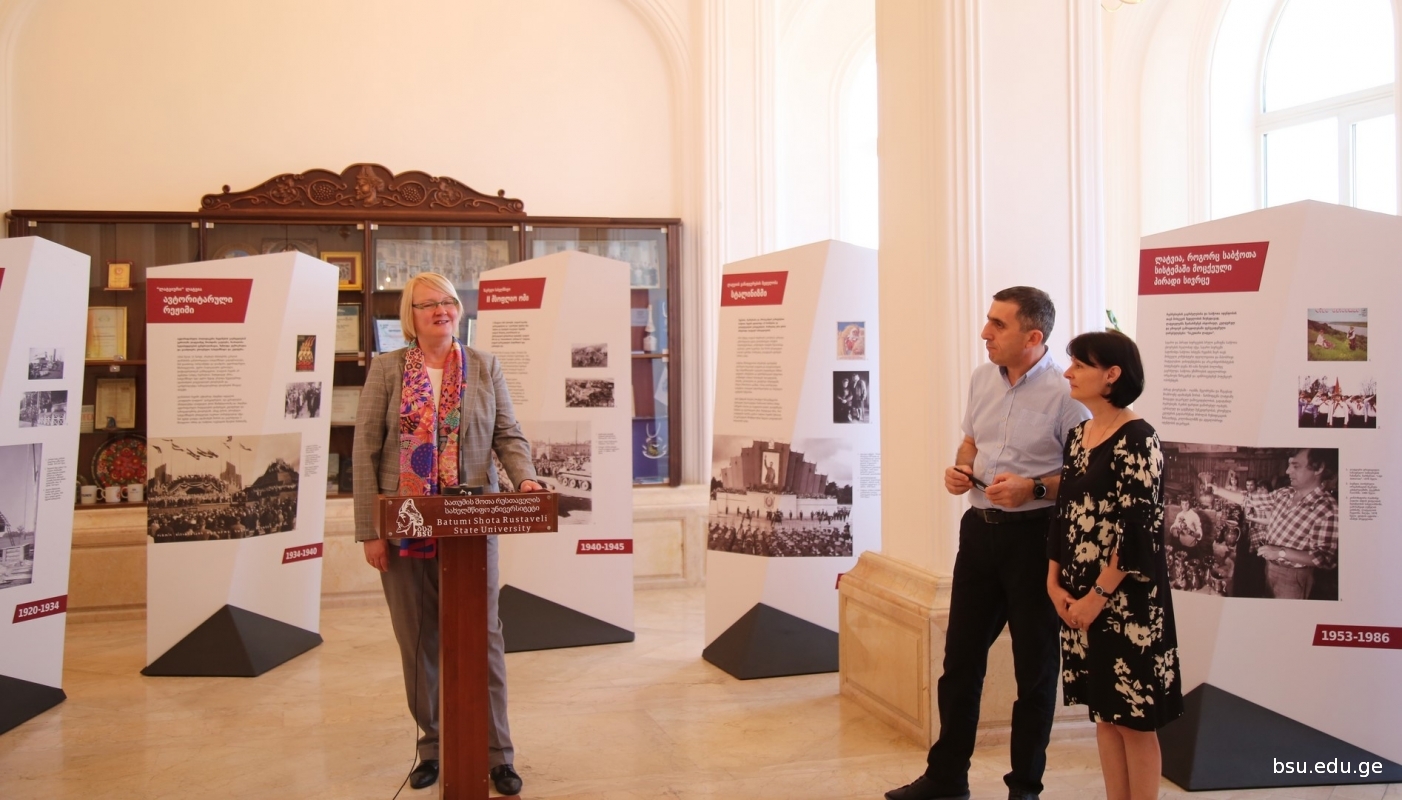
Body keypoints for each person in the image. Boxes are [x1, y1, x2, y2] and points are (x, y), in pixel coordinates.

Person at [886, 287, 1088, 800]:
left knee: (1034, 672)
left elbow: (1084, 476)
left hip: (1036, 540)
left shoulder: (1069, 395)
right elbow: (971, 442)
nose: (985, 333)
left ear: (1033, 336)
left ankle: (1024, 789)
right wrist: (961, 469)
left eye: (999, 324)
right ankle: (946, 778)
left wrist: (1033, 488)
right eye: (988, 321)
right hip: (978, 534)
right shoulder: (982, 378)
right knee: (959, 662)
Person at [353, 272, 543, 794]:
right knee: (418, 639)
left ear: (459, 310)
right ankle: (434, 746)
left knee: (484, 637)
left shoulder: (485, 365)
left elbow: (508, 433)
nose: (441, 310)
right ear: (410, 317)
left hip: (472, 526)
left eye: (448, 301)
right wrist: (370, 529)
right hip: (405, 525)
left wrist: (525, 478)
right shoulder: (387, 369)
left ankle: (497, 753)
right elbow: (365, 451)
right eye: (428, 304)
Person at [1047, 330, 1183, 800]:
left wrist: (1097, 597)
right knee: (1104, 715)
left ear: (1112, 375)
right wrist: (1053, 583)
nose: (1068, 372)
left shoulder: (1139, 439)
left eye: (1079, 365)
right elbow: (1063, 516)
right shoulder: (1078, 436)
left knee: (1135, 721)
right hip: (1078, 596)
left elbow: (1139, 533)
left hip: (1124, 600)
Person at [1214, 449, 1338, 600]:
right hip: (1270, 566)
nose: (1287, 471)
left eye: (1296, 466)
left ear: (1319, 468)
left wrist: (1281, 552)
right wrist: (1217, 489)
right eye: (1289, 465)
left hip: (1293, 577)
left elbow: (1324, 558)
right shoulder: (1286, 493)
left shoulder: (1327, 508)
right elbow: (1249, 500)